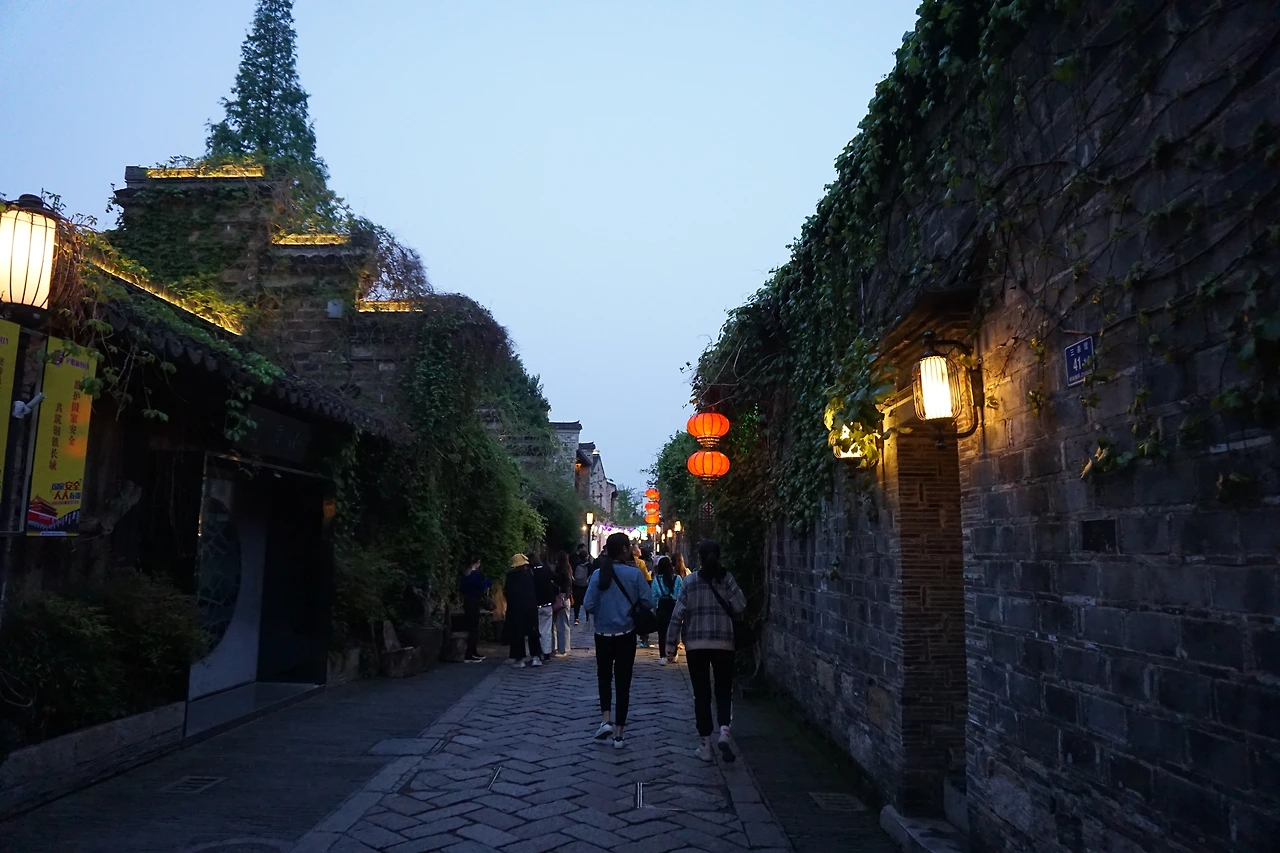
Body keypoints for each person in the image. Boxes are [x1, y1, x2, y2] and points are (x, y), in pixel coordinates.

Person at [667, 539, 746, 762]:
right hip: (724, 644)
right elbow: (741, 605)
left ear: (699, 558)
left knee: (701, 694)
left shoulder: (690, 581)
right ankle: (724, 731)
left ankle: (705, 746)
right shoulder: (727, 579)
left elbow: (677, 615)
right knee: (723, 690)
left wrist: (670, 645)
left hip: (696, 645)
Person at [583, 532, 653, 750]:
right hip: (626, 634)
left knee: (604, 678)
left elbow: (588, 604)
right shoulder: (634, 574)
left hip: (603, 634)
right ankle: (619, 735)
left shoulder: (598, 574)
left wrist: (604, 611)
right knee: (623, 683)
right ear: (623, 550)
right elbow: (648, 601)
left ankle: (606, 720)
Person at [503, 554, 543, 667]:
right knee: (533, 632)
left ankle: (519, 659)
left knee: (517, 633)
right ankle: (536, 657)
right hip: (531, 607)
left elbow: (507, 592)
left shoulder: (511, 576)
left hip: (515, 608)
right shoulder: (530, 574)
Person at [651, 556, 682, 665]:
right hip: (674, 608)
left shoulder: (656, 580)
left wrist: (655, 608)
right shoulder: (677, 579)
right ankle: (673, 654)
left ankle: (662, 656)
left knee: (662, 633)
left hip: (661, 609)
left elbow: (654, 596)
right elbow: (680, 595)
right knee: (674, 632)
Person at [459, 558, 490, 663]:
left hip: (467, 601)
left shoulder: (465, 574)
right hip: (474, 601)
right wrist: (487, 583)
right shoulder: (476, 575)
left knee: (470, 627)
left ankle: (472, 652)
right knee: (474, 628)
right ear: (477, 563)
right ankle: (470, 653)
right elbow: (481, 588)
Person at [532, 555, 558, 663]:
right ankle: (546, 653)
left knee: (535, 630)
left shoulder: (530, 573)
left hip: (534, 605)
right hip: (547, 604)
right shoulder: (547, 571)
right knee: (546, 630)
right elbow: (557, 579)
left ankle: (537, 653)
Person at [552, 551, 574, 656]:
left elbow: (566, 586)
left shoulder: (563, 571)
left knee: (562, 624)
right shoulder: (567, 569)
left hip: (562, 597)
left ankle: (562, 648)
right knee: (561, 623)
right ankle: (560, 648)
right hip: (564, 597)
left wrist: (554, 585)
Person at [632, 543, 654, 648]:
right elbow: (647, 578)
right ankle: (644, 639)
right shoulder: (640, 563)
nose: (640, 550)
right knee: (642, 615)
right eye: (638, 549)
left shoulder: (626, 562)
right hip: (639, 592)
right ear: (633, 551)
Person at [572, 551, 592, 626]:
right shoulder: (589, 565)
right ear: (587, 556)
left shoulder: (575, 564)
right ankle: (587, 619)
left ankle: (576, 618)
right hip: (586, 586)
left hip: (577, 586)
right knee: (586, 602)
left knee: (577, 604)